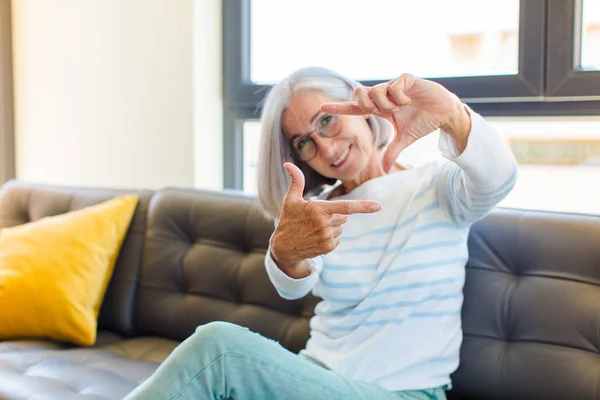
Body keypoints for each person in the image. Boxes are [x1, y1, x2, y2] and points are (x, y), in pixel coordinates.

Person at [125, 67, 517, 400]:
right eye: (305, 143)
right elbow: (293, 285)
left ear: (359, 106)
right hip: (317, 378)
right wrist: (284, 252)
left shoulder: (437, 186)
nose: (327, 149)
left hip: (401, 392)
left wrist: (451, 114)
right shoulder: (318, 212)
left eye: (326, 120)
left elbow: (498, 178)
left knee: (219, 350)